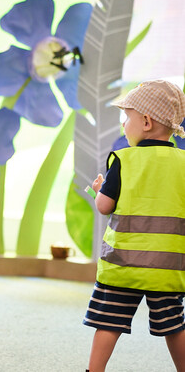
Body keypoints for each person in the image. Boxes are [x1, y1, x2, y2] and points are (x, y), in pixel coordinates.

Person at [83, 80, 185, 372]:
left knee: (108, 322)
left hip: (122, 265)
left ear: (146, 121)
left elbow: (105, 206)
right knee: (174, 325)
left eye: (126, 118)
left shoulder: (124, 161)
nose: (123, 125)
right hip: (167, 267)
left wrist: (98, 191)